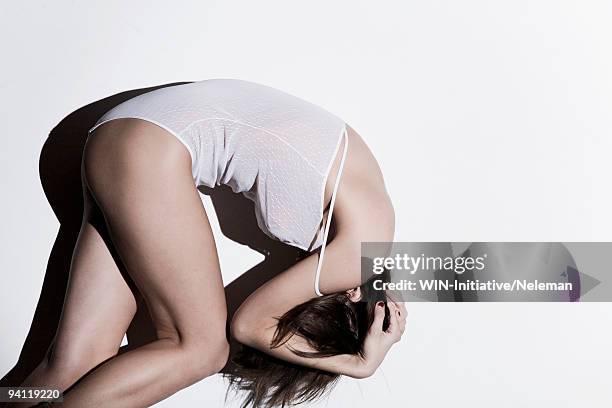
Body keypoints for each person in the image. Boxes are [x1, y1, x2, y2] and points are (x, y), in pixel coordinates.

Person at [8, 79, 404, 408]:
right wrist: (358, 363)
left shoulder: (357, 222)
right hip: (151, 145)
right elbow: (249, 325)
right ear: (352, 294)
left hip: (127, 138)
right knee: (201, 350)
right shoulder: (361, 255)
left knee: (72, 367)